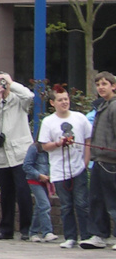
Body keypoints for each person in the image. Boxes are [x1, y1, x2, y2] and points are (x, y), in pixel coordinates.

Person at [0, 73, 34, 239]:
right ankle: (6, 230)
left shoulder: (19, 102)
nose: (0, 84)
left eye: (2, 81)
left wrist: (11, 84)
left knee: (23, 192)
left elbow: (29, 95)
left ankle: (26, 229)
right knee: (6, 194)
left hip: (19, 155)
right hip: (2, 157)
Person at [39, 87, 93, 248]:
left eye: (66, 99)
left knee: (82, 203)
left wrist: (86, 161)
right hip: (59, 170)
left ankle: (86, 235)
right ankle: (70, 236)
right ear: (52, 102)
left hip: (79, 168)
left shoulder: (80, 118)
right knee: (66, 205)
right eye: (60, 100)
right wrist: (58, 143)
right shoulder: (48, 122)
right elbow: (44, 145)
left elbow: (88, 140)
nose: (64, 102)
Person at [87, 72, 116, 245]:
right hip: (99, 159)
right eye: (98, 84)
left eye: (105, 84)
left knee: (113, 200)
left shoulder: (114, 106)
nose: (101, 87)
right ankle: (99, 234)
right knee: (97, 199)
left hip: (111, 161)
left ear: (113, 86)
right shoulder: (102, 106)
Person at [24, 141, 58, 242]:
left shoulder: (52, 148)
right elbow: (26, 166)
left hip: (47, 182)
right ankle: (47, 232)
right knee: (45, 205)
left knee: (39, 207)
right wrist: (39, 175)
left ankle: (33, 233)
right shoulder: (34, 148)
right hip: (35, 181)